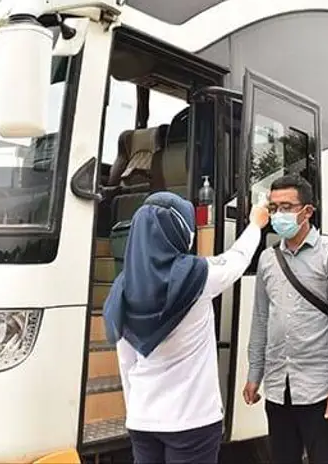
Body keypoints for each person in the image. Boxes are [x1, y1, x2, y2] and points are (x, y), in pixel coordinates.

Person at [103, 191, 270, 464]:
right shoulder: (198, 275)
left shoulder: (121, 287)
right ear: (178, 232)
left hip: (143, 421)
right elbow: (238, 259)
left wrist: (137, 410)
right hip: (193, 421)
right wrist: (255, 224)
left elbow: (126, 362)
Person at [243, 175, 328, 464]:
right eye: (274, 207)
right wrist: (254, 373)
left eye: (286, 206)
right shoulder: (268, 260)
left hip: (318, 388)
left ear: (307, 212)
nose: (279, 214)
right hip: (278, 387)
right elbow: (260, 319)